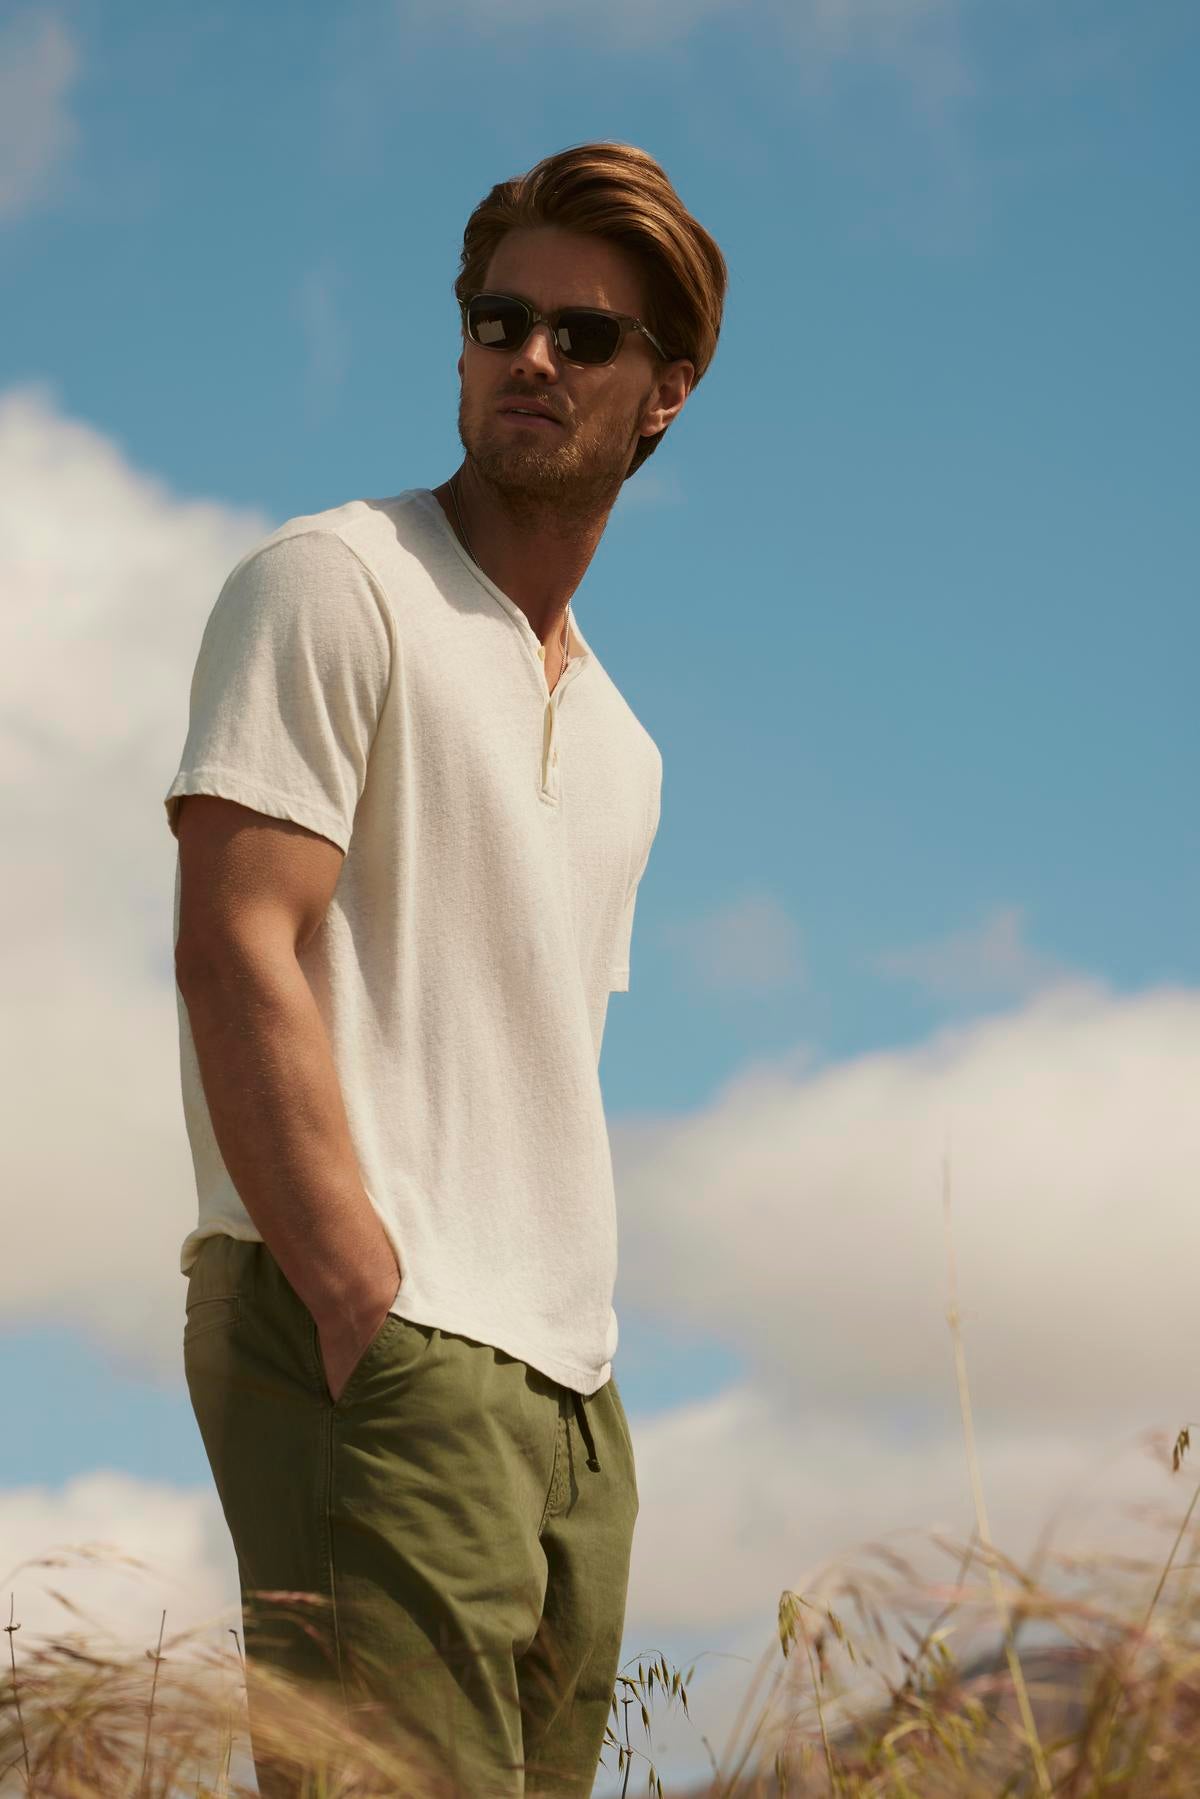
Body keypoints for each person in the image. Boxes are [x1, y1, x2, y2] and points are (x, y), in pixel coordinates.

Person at [164, 139, 727, 1796]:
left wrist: (576, 1382)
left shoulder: (626, 747)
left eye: (587, 336)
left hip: (569, 1392)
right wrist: (354, 1295)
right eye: (502, 321)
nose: (533, 359)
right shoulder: (335, 585)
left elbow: (535, 1055)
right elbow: (236, 942)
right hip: (376, 1336)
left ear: (666, 394)